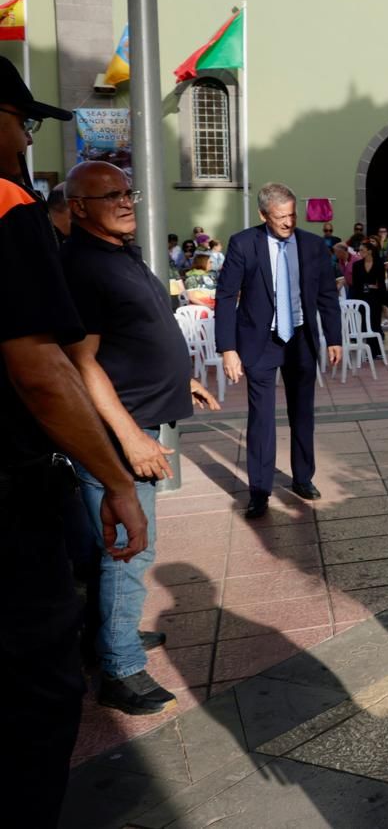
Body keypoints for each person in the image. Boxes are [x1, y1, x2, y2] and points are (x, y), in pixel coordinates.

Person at [0, 57, 149, 827]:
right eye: (20, 118)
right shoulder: (6, 206)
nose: (26, 136)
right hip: (6, 496)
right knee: (36, 691)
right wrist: (115, 476)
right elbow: (42, 369)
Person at [59, 160, 221, 715]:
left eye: (128, 192)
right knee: (129, 548)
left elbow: (136, 334)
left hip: (141, 415)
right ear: (78, 207)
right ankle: (120, 667)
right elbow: (83, 364)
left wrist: (183, 377)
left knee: (114, 550)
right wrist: (129, 438)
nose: (126, 202)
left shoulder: (117, 252)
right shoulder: (82, 264)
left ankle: (107, 637)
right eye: (109, 196)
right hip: (116, 429)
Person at [215, 182, 342, 519]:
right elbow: (226, 297)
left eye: (292, 215)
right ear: (263, 215)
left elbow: (328, 295)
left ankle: (303, 478)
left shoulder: (313, 246)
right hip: (260, 342)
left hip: (301, 338)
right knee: (261, 417)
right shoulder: (244, 244)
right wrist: (227, 348)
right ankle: (259, 490)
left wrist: (334, 338)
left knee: (303, 413)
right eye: (280, 217)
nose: (288, 222)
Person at [351, 241, 388, 350]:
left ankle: (376, 350)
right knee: (364, 324)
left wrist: (385, 303)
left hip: (375, 298)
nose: (359, 252)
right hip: (361, 297)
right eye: (359, 250)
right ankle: (366, 350)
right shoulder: (357, 265)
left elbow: (381, 284)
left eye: (362, 250)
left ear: (369, 251)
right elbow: (356, 284)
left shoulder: (378, 264)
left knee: (375, 323)